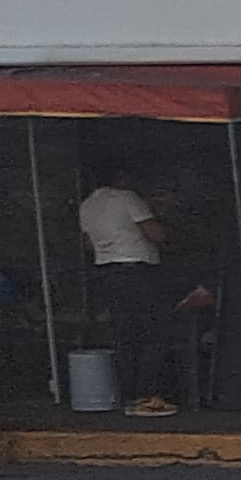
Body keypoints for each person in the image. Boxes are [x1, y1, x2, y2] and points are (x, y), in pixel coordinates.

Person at [79, 161, 179, 416]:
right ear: (120, 176)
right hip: (137, 270)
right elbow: (156, 234)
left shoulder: (88, 204)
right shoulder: (128, 198)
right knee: (154, 332)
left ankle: (129, 395)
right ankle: (148, 395)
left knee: (124, 336)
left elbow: (89, 245)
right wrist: (162, 215)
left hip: (106, 270)